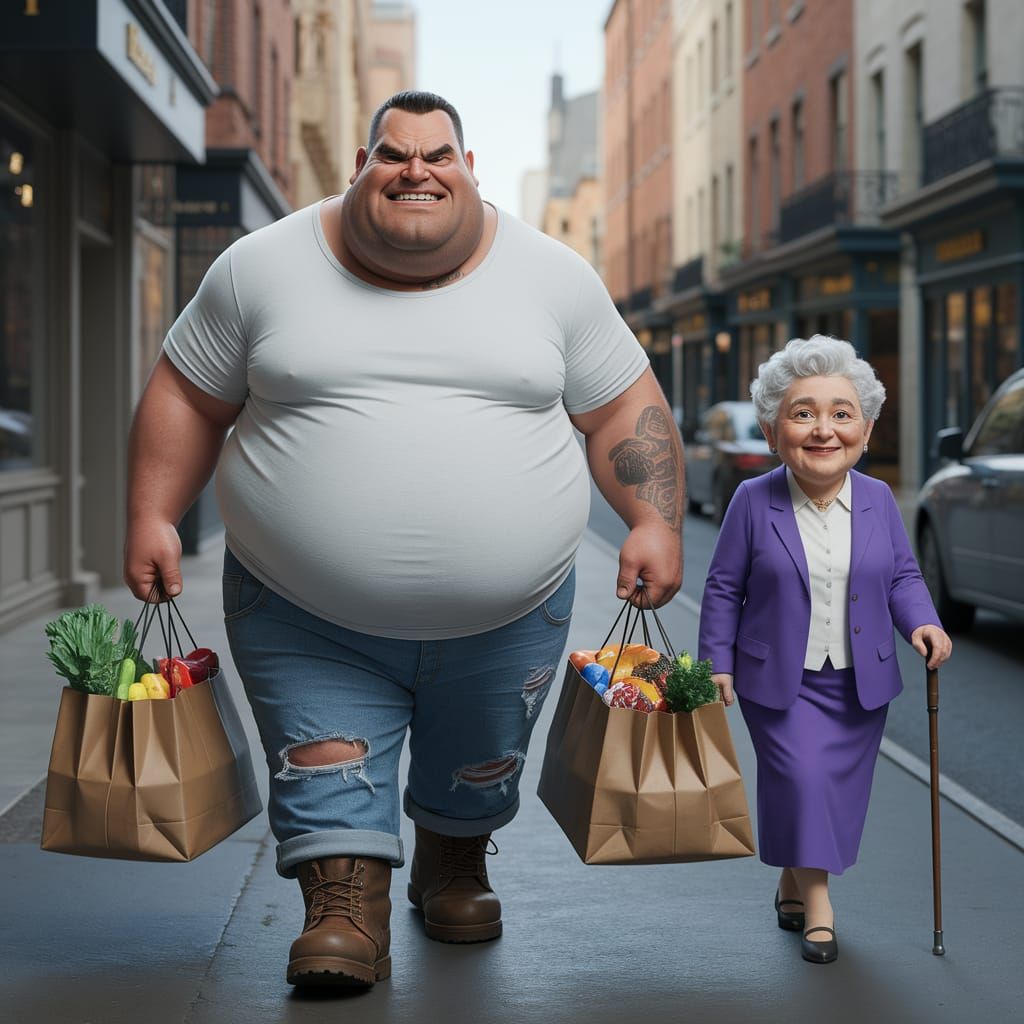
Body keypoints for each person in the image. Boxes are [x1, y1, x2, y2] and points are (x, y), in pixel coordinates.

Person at [123, 91, 684, 989]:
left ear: (469, 171)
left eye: (438, 155)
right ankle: (344, 904)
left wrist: (654, 518)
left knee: (479, 755)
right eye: (394, 153)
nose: (415, 169)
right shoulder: (256, 267)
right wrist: (152, 514)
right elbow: (189, 393)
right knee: (323, 757)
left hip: (511, 613)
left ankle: (453, 860)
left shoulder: (554, 275)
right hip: (303, 611)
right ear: (359, 165)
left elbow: (622, 405)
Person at [698, 335, 951, 965]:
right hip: (777, 678)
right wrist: (717, 664)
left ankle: (791, 883)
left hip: (860, 682)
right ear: (773, 427)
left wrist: (923, 623)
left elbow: (901, 577)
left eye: (841, 414)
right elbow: (724, 585)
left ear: (865, 429)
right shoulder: (752, 500)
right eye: (803, 412)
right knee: (803, 781)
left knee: (831, 793)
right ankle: (820, 911)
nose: (823, 429)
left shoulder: (878, 499)